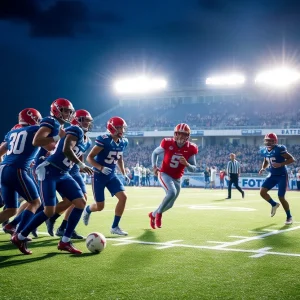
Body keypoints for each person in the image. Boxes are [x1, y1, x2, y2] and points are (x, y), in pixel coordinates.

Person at [11, 100, 94, 255]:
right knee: (48, 210)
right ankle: (20, 235)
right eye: (65, 111)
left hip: (63, 172)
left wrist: (79, 165)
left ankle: (65, 241)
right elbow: (65, 148)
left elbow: (68, 151)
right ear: (56, 110)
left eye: (70, 111)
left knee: (80, 202)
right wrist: (81, 165)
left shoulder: (82, 137)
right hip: (50, 171)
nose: (68, 114)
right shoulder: (69, 128)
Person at [84, 116, 130, 236]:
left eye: (122, 128)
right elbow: (89, 157)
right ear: (112, 128)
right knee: (100, 207)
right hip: (99, 176)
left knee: (123, 197)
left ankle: (115, 227)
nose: (122, 130)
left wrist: (124, 173)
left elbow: (120, 158)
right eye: (119, 128)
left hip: (112, 175)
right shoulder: (104, 140)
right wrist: (100, 167)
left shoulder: (123, 142)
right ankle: (88, 209)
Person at [0, 109, 42, 238]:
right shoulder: (34, 130)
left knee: (12, 209)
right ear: (33, 118)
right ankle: (19, 235)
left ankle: (13, 227)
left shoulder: (12, 132)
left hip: (4, 169)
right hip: (17, 169)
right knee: (35, 202)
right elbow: (51, 145)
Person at [149, 123, 198, 229]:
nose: (180, 136)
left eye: (183, 134)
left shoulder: (191, 148)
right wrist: (154, 166)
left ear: (187, 136)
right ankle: (159, 215)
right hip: (164, 173)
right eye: (178, 133)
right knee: (172, 192)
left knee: (170, 204)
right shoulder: (167, 142)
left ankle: (153, 214)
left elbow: (194, 168)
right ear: (174, 134)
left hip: (177, 178)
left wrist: (187, 164)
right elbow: (154, 153)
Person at [259, 133, 295, 225]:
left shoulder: (280, 149)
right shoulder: (264, 150)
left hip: (282, 175)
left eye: (271, 141)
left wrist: (281, 164)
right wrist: (263, 168)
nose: (269, 142)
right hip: (272, 174)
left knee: (281, 197)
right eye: (267, 140)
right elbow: (266, 160)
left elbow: (291, 159)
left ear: (275, 141)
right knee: (262, 192)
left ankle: (289, 216)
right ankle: (274, 204)